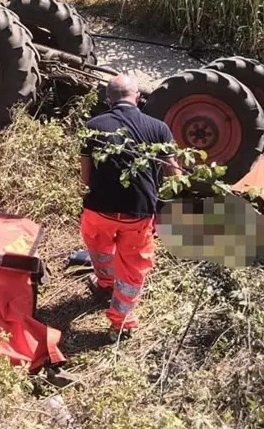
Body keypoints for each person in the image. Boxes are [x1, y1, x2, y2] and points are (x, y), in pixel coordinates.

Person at [79, 74, 175, 341]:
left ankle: (105, 285)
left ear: (108, 100)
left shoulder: (93, 126)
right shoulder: (159, 129)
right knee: (133, 269)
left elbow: (85, 179)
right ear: (138, 98)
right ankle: (121, 323)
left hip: (98, 211)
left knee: (100, 251)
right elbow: (174, 176)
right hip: (138, 213)